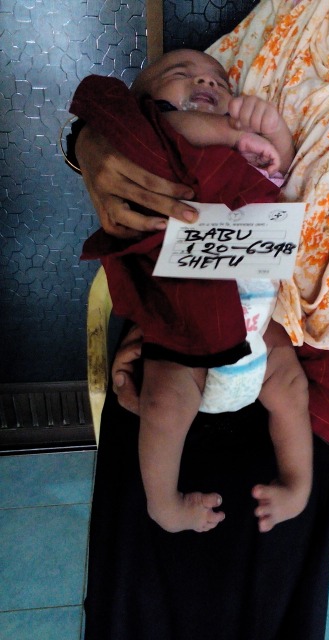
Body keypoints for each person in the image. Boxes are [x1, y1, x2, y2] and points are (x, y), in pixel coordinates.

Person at [73, 1, 329, 638]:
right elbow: (159, 119)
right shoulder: (298, 13)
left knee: (247, 576)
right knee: (140, 578)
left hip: (319, 364)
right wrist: (89, 142)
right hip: (180, 309)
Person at [71, 49, 312, 534]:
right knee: (162, 406)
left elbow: (281, 175)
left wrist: (273, 133)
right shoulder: (159, 140)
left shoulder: (244, 154)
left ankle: (297, 484)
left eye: (219, 80)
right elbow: (173, 127)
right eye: (181, 74)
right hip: (186, 327)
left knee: (292, 387)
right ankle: (163, 503)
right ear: (145, 101)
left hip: (257, 328)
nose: (205, 81)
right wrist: (232, 131)